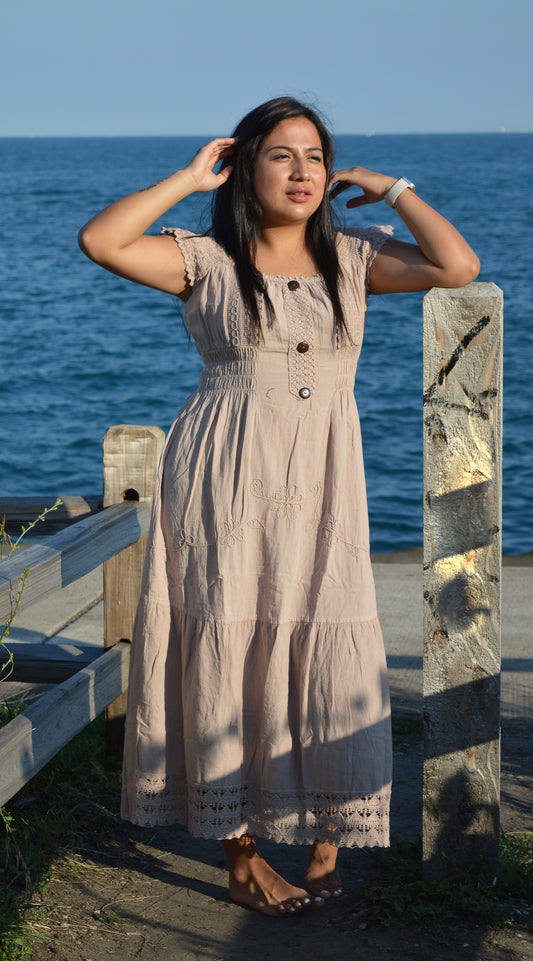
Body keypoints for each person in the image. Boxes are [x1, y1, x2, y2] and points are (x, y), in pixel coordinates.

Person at [78, 97, 479, 918]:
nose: (301, 172)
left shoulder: (354, 258)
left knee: (327, 631)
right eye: (281, 156)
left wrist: (392, 186)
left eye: (314, 157)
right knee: (227, 639)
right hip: (222, 477)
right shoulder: (205, 259)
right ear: (244, 168)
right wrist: (187, 179)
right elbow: (102, 240)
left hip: (327, 477)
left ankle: (328, 834)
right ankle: (242, 854)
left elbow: (457, 267)